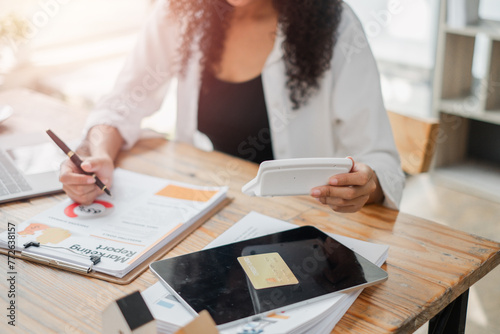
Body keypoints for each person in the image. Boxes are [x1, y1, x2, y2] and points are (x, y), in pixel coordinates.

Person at [60, 0, 405, 213]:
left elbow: (380, 164)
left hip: (298, 222)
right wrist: (100, 154)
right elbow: (122, 102)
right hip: (202, 214)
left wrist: (365, 185)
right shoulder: (180, 10)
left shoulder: (336, 23)